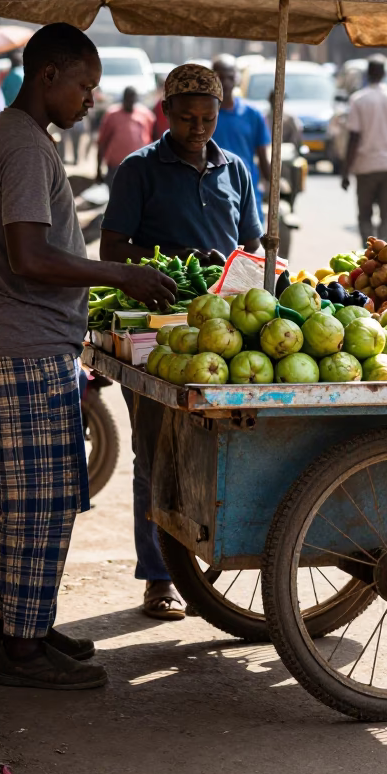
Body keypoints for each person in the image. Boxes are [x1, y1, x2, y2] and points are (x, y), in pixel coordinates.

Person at [0, 23, 175, 690]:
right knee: (41, 502)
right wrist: (120, 276)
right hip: (24, 339)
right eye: (84, 84)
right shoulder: (23, 144)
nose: (91, 98)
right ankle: (19, 652)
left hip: (29, 338)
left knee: (35, 498)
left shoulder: (21, 135)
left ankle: (22, 629)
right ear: (49, 75)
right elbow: (29, 258)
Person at [99, 64, 262, 620]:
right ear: (166, 114)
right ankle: (159, 577)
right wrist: (169, 264)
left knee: (220, 450)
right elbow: (112, 249)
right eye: (188, 118)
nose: (198, 128)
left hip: (223, 337)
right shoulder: (138, 170)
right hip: (156, 332)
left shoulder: (235, 169)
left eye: (208, 118)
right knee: (156, 452)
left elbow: (253, 244)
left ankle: (203, 560)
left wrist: (249, 268)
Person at [340, 55, 387, 245]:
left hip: (366, 166)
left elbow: (354, 138)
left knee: (365, 215)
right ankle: (384, 253)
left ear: (368, 73)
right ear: (384, 74)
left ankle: (369, 251)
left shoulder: (358, 100)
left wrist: (346, 171)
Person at [211, 55, 271, 216]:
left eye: (230, 77)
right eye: (220, 77)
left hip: (245, 190)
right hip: (211, 192)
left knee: (250, 239)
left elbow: (262, 156)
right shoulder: (203, 116)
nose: (225, 82)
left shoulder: (253, 115)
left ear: (237, 78)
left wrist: (272, 185)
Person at [96, 86, 155, 188]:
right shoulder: (112, 115)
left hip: (140, 166)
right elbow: (102, 142)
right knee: (117, 197)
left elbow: (154, 138)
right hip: (116, 166)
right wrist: (98, 168)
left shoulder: (146, 114)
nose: (130, 102)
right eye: (128, 99)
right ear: (123, 99)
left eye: (132, 99)